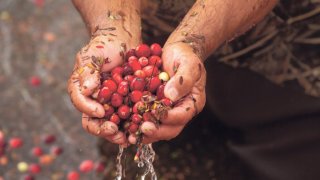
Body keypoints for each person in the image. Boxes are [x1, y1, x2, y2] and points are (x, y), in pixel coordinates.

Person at [69, 0, 320, 179]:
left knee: (290, 149)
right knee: (162, 132)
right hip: (156, 28)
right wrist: (113, 26)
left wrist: (194, 40)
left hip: (284, 43)